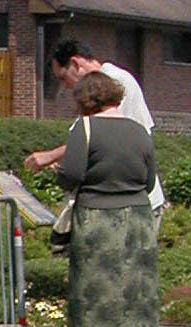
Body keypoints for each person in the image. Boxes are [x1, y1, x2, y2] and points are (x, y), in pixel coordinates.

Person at [45, 70, 158, 327]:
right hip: (139, 223)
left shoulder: (85, 128)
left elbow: (71, 176)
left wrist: (62, 175)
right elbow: (148, 181)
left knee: (94, 296)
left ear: (86, 100)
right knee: (136, 295)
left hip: (98, 222)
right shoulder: (139, 130)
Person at [26, 40, 166, 213]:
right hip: (119, 205)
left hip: (132, 207)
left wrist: (51, 156)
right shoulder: (96, 93)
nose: (65, 86)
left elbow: (103, 137)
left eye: (63, 78)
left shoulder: (115, 82)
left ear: (76, 63)